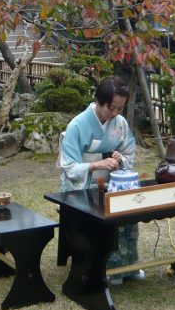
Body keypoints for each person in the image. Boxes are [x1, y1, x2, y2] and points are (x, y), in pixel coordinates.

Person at [58, 76, 140, 284]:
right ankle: (108, 267)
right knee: (104, 216)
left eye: (119, 109)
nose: (114, 114)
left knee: (130, 210)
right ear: (98, 100)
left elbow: (129, 152)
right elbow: (68, 167)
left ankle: (129, 264)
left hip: (111, 184)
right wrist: (96, 165)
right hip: (81, 186)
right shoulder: (77, 125)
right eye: (111, 108)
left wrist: (120, 158)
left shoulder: (120, 124)